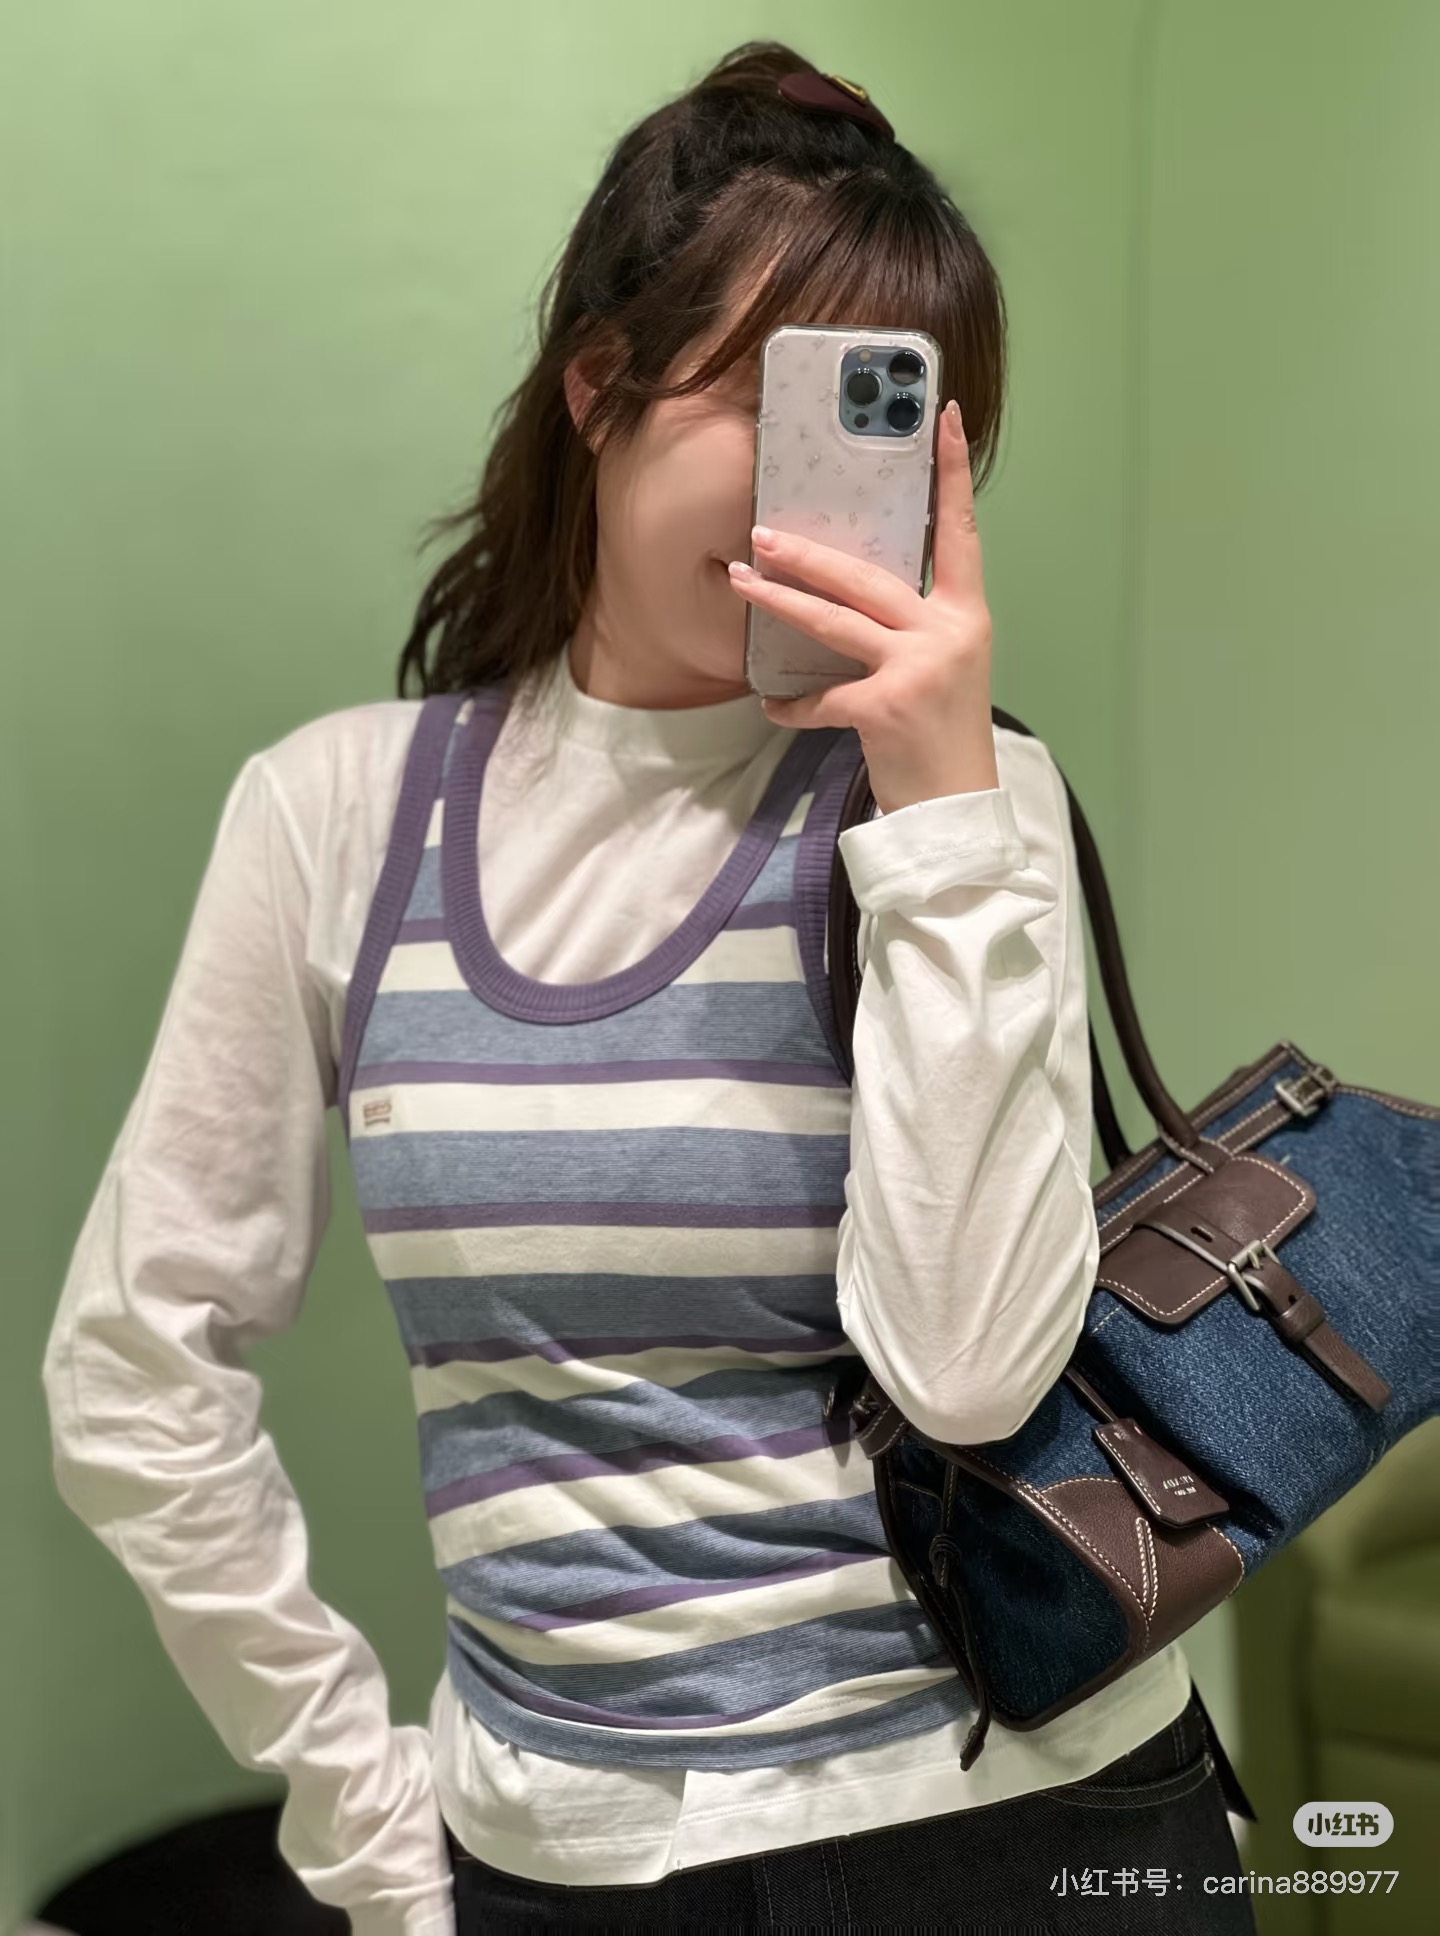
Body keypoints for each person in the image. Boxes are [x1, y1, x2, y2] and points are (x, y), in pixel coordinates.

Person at [41, 38, 1256, 1935]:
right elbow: (131, 1371)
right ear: (598, 388)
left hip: (1016, 1830)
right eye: (764, 405)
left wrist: (943, 808)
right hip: (554, 1860)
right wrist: (373, 1828)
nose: (805, 500)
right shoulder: (339, 816)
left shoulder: (960, 804)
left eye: (876, 426)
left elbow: (968, 1377)